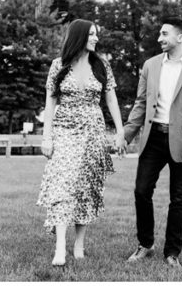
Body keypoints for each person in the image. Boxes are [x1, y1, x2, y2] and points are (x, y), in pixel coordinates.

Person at [123, 17, 182, 269]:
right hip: (152, 138)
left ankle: (172, 252)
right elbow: (141, 103)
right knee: (141, 191)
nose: (159, 38)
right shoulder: (150, 65)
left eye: (164, 34)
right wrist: (126, 135)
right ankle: (145, 244)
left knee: (179, 198)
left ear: (180, 38)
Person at [37, 19, 127, 267]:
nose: (96, 39)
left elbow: (111, 99)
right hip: (64, 131)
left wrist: (120, 132)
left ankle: (79, 244)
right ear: (78, 36)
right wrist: (47, 137)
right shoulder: (58, 66)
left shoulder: (101, 65)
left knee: (86, 188)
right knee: (62, 185)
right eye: (91, 35)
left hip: (93, 133)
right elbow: (50, 102)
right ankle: (59, 249)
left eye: (97, 34)